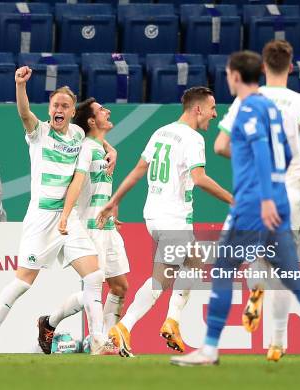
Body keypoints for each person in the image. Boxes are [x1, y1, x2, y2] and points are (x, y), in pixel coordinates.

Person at [170, 51, 300, 367]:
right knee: (292, 276)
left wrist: (263, 198)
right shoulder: (271, 108)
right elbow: (284, 152)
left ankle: (209, 348)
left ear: (237, 76)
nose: (227, 78)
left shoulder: (250, 106)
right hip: (279, 198)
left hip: (255, 202)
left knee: (224, 270)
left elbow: (260, 152)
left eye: (227, 74)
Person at [0, 67, 117, 355]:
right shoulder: (39, 132)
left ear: (72, 111)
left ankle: (99, 339)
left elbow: (94, 140)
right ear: (50, 109)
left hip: (69, 219)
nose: (59, 110)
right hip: (42, 219)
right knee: (23, 282)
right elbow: (24, 113)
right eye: (55, 106)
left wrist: (110, 148)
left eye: (65, 106)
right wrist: (19, 86)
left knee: (94, 276)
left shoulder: (77, 134)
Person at [214, 39, 300, 361]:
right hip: (292, 187)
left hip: (255, 189)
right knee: (285, 266)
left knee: (254, 255)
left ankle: (256, 287)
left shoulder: (248, 98)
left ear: (263, 67)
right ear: (290, 67)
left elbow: (222, 145)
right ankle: (277, 342)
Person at [98, 87, 233, 357]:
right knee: (165, 277)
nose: (215, 114)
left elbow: (138, 170)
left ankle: (171, 321)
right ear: (198, 109)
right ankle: (124, 327)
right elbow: (200, 178)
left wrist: (115, 200)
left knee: (192, 262)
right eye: (212, 108)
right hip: (173, 217)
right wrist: (234, 199)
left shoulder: (161, 131)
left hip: (154, 214)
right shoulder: (193, 138)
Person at [36, 98, 130, 354]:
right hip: (89, 227)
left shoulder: (103, 149)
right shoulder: (86, 148)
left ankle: (54, 323)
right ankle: (101, 340)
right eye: (102, 110)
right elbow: (77, 183)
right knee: (95, 286)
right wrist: (65, 216)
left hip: (108, 227)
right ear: (91, 121)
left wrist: (113, 208)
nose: (108, 111)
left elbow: (104, 185)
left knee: (120, 287)